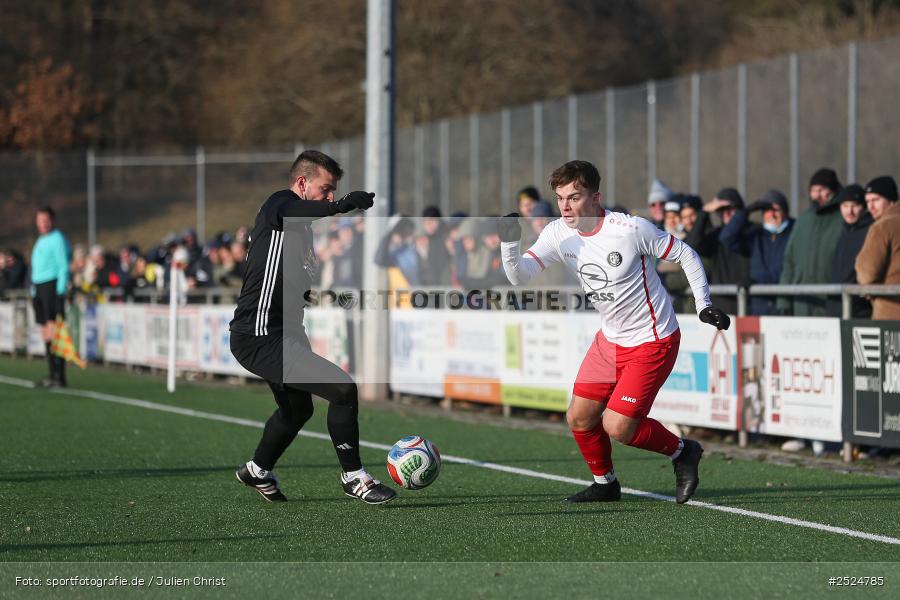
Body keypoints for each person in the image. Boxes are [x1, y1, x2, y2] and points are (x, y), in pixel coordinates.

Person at [498, 160, 730, 504]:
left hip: (653, 340)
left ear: (595, 198)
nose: (565, 206)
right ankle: (605, 483)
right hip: (610, 341)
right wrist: (509, 245)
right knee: (579, 417)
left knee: (618, 427)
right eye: (561, 197)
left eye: (574, 197)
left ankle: (684, 451)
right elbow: (519, 276)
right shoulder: (557, 232)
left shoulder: (629, 229)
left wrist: (702, 304)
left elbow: (686, 253)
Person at [229, 150, 395, 504]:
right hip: (260, 336)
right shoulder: (281, 203)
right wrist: (342, 207)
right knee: (343, 390)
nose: (331, 196)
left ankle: (257, 470)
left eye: (335, 191)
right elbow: (297, 211)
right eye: (326, 189)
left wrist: (326, 296)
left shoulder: (301, 231)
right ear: (302, 184)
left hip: (282, 333)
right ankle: (354, 478)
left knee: (298, 410)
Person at [777, 168, 844, 316]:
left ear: (833, 190)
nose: (816, 195)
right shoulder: (803, 221)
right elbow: (789, 262)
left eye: (821, 190)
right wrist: (783, 300)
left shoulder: (843, 219)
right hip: (801, 304)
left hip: (832, 304)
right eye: (813, 190)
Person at [719, 190, 794, 315]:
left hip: (785, 305)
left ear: (785, 212)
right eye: (767, 210)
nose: (772, 215)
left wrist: (758, 280)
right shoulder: (756, 235)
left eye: (776, 210)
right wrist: (745, 212)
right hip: (759, 306)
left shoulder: (794, 233)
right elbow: (726, 238)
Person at [683, 188, 750, 314]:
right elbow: (691, 247)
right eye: (720, 210)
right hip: (721, 305)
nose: (725, 213)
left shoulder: (753, 232)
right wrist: (704, 212)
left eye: (729, 209)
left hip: (747, 303)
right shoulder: (716, 236)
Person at [29, 206, 71, 387]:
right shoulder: (40, 240)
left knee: (55, 331)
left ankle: (59, 376)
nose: (43, 224)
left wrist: (60, 290)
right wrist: (33, 289)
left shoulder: (57, 239)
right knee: (45, 332)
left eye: (46, 221)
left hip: (52, 286)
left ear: (52, 221)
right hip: (39, 287)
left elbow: (63, 265)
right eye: (40, 221)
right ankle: (51, 374)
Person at [855, 176, 900, 320]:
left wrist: (868, 288)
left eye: (876, 200)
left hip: (890, 311)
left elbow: (867, 272)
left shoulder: (882, 226)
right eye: (867, 201)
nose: (870, 207)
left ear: (890, 199)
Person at [828, 184, 872, 318]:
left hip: (859, 310)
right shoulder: (841, 232)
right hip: (836, 306)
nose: (849, 211)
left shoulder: (871, 232)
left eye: (854, 206)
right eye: (845, 206)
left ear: (864, 207)